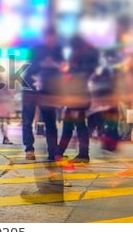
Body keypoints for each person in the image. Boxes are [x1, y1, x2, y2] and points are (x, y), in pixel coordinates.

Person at [21, 28, 65, 161]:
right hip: (30, 88)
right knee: (27, 120)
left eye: (53, 38)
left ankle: (53, 151)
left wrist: (55, 65)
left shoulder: (58, 50)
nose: (51, 40)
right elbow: (27, 66)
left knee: (50, 121)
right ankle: (29, 148)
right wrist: (41, 64)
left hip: (48, 91)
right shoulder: (36, 49)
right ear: (45, 37)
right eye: (49, 37)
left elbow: (61, 69)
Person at [57, 35, 99, 163]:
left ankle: (73, 153)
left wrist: (67, 73)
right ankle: (65, 152)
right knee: (75, 125)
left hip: (77, 97)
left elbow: (77, 77)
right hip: (78, 96)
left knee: (73, 125)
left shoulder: (80, 58)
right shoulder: (84, 57)